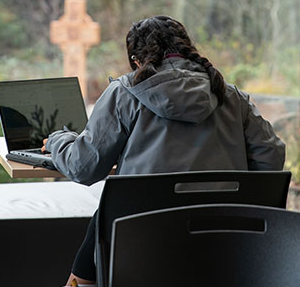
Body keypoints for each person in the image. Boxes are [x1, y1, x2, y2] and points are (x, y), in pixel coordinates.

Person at [42, 15, 285, 286]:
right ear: (188, 51)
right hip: (225, 240)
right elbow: (271, 160)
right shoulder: (231, 96)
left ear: (136, 60)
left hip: (139, 243)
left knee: (104, 216)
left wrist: (58, 140)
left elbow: (83, 166)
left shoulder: (125, 93)